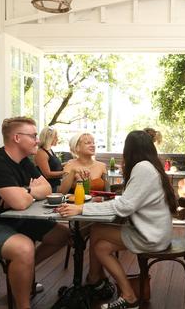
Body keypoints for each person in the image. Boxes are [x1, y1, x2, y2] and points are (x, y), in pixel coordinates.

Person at [0, 117, 70, 309]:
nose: (37, 140)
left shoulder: (24, 161)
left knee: (62, 235)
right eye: (33, 136)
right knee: (24, 248)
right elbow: (19, 203)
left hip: (10, 221)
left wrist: (26, 192)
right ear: (17, 138)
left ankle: (23, 271)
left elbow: (46, 189)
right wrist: (28, 192)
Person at [57, 130, 177, 309]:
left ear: (130, 150)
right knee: (101, 247)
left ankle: (94, 280)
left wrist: (82, 208)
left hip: (151, 236)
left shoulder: (142, 168)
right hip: (156, 232)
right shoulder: (151, 166)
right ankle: (125, 294)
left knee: (97, 229)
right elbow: (129, 202)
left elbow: (125, 206)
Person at [34, 126, 64, 192]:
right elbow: (47, 174)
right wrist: (66, 173)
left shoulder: (50, 150)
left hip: (56, 184)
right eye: (56, 137)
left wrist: (67, 164)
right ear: (49, 138)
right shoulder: (41, 153)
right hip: (50, 188)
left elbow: (53, 166)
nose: (57, 139)